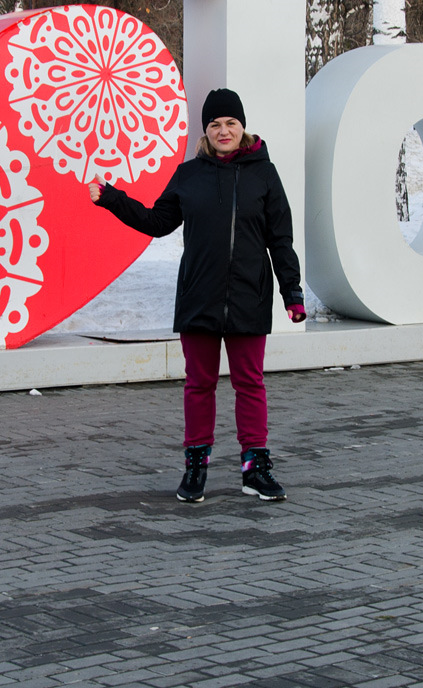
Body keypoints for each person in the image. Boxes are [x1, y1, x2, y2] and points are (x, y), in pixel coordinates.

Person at [89, 88, 306, 503]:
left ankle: (254, 468)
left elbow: (281, 238)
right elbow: (157, 221)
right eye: (215, 124)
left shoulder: (265, 174)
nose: (223, 131)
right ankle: (196, 468)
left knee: (250, 383)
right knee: (199, 385)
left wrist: (291, 292)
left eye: (230, 123)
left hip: (249, 296)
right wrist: (113, 198)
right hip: (199, 297)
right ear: (205, 130)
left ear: (243, 127)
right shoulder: (189, 175)